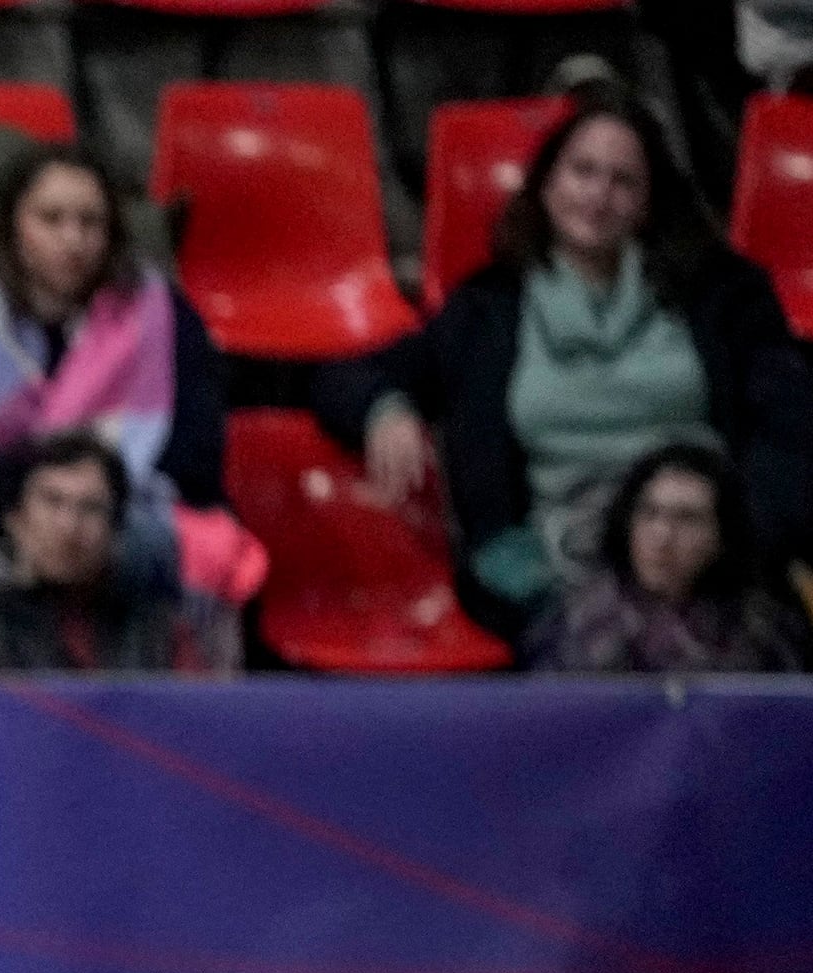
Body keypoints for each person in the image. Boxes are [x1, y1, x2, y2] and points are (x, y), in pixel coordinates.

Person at [319, 89, 813, 644]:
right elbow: (347, 375)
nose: (599, 196)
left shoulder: (724, 294)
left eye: (623, 181)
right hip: (553, 554)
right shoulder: (491, 306)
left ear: (650, 201)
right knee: (608, 640)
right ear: (547, 184)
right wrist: (387, 409)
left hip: (703, 538)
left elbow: (792, 422)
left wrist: (743, 539)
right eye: (583, 172)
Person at [0, 145, 232, 611]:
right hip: (2, 528)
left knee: (168, 558)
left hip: (133, 526)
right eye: (51, 219)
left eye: (89, 222)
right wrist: (47, 518)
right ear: (15, 227)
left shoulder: (164, 318)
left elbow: (197, 457)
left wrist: (93, 514)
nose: (72, 240)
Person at [0, 429, 229, 673]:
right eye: (52, 502)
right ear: (15, 518)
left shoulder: (164, 634)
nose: (69, 526)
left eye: (91, 508)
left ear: (115, 529)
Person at [523, 440, 806, 671]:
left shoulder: (761, 634)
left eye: (687, 518)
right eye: (649, 513)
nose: (661, 537)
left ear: (722, 537)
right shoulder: (578, 625)